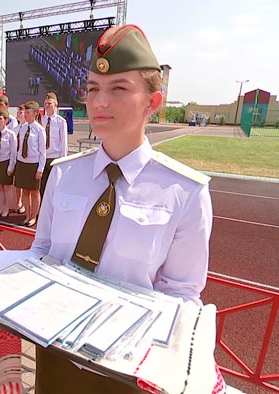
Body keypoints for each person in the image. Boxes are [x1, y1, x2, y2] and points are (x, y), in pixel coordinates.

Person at [29, 24, 213, 393]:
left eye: (119, 89)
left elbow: (182, 295)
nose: (99, 102)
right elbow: (41, 253)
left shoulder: (185, 192)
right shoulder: (63, 174)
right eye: (93, 88)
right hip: (54, 354)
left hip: (125, 373)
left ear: (153, 102)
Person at [14, 101, 46, 227]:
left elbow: (43, 152)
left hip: (34, 164)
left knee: (34, 191)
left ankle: (33, 216)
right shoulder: (22, 127)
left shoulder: (39, 130)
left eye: (28, 112)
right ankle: (27, 215)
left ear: (35, 113)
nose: (25, 115)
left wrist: (40, 169)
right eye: (25, 112)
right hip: (23, 163)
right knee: (25, 191)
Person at [0, 109, 17, 218]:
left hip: (6, 162)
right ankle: (1, 207)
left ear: (6, 120)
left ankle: (6, 208)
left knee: (7, 188)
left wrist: (11, 167)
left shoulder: (11, 135)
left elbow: (13, 152)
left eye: (0, 119)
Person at [40, 91, 68, 197]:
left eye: (49, 103)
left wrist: (63, 161)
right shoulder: (41, 120)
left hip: (55, 158)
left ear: (56, 104)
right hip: (43, 158)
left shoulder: (61, 122)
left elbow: (63, 143)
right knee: (42, 187)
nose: (47, 106)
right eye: (46, 103)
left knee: (54, 187)